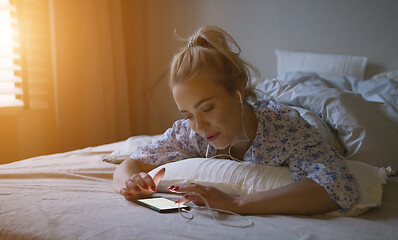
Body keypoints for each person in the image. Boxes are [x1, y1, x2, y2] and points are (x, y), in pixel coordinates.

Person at [112, 26, 359, 215]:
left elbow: (337, 187)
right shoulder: (190, 134)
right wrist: (132, 184)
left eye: (207, 108)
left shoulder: (284, 130)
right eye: (187, 115)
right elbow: (129, 165)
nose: (199, 126)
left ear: (238, 91)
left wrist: (235, 203)